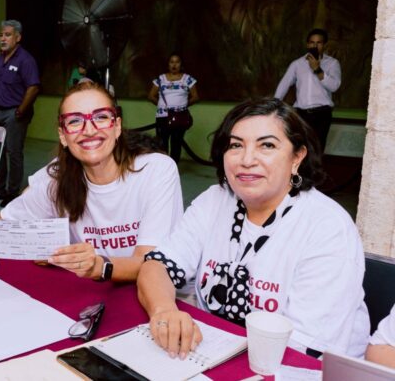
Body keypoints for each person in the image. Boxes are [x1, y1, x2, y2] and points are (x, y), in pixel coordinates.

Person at [137, 98, 369, 359]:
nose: (247, 160)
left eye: (267, 145)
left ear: (297, 157)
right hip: (212, 354)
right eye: (236, 145)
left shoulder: (327, 226)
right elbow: (156, 267)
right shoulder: (214, 200)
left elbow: (305, 350)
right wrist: (163, 310)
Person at [0, 81, 183, 282]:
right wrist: (37, 245)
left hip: (148, 293)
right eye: (75, 121)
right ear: (62, 135)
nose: (89, 130)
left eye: (101, 117)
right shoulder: (56, 177)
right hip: (89, 293)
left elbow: (150, 263)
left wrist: (99, 265)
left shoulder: (155, 170)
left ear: (117, 126)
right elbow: (0, 225)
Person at [0, 19, 41, 206]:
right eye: (1, 35)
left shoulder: (25, 60)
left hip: (14, 113)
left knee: (13, 152)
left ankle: (13, 192)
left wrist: (20, 111)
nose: (3, 38)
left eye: (7, 35)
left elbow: (33, 87)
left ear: (18, 37)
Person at [274, 28, 341, 153]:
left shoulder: (332, 63)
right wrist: (274, 104)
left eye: (319, 42)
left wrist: (318, 69)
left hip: (322, 113)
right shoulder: (297, 64)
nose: (315, 45)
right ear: (307, 44)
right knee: (298, 148)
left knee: (317, 148)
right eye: (312, 42)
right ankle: (300, 172)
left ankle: (315, 173)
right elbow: (284, 83)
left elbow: (334, 86)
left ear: (324, 45)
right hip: (301, 114)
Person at [148, 53, 199, 163]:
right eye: (172, 62)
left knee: (176, 143)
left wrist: (183, 105)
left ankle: (174, 167)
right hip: (163, 116)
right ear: (168, 64)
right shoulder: (160, 79)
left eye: (177, 62)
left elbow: (195, 97)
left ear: (181, 64)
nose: (174, 65)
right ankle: (163, 167)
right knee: (162, 143)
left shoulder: (188, 79)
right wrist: (163, 106)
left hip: (180, 116)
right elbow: (151, 96)